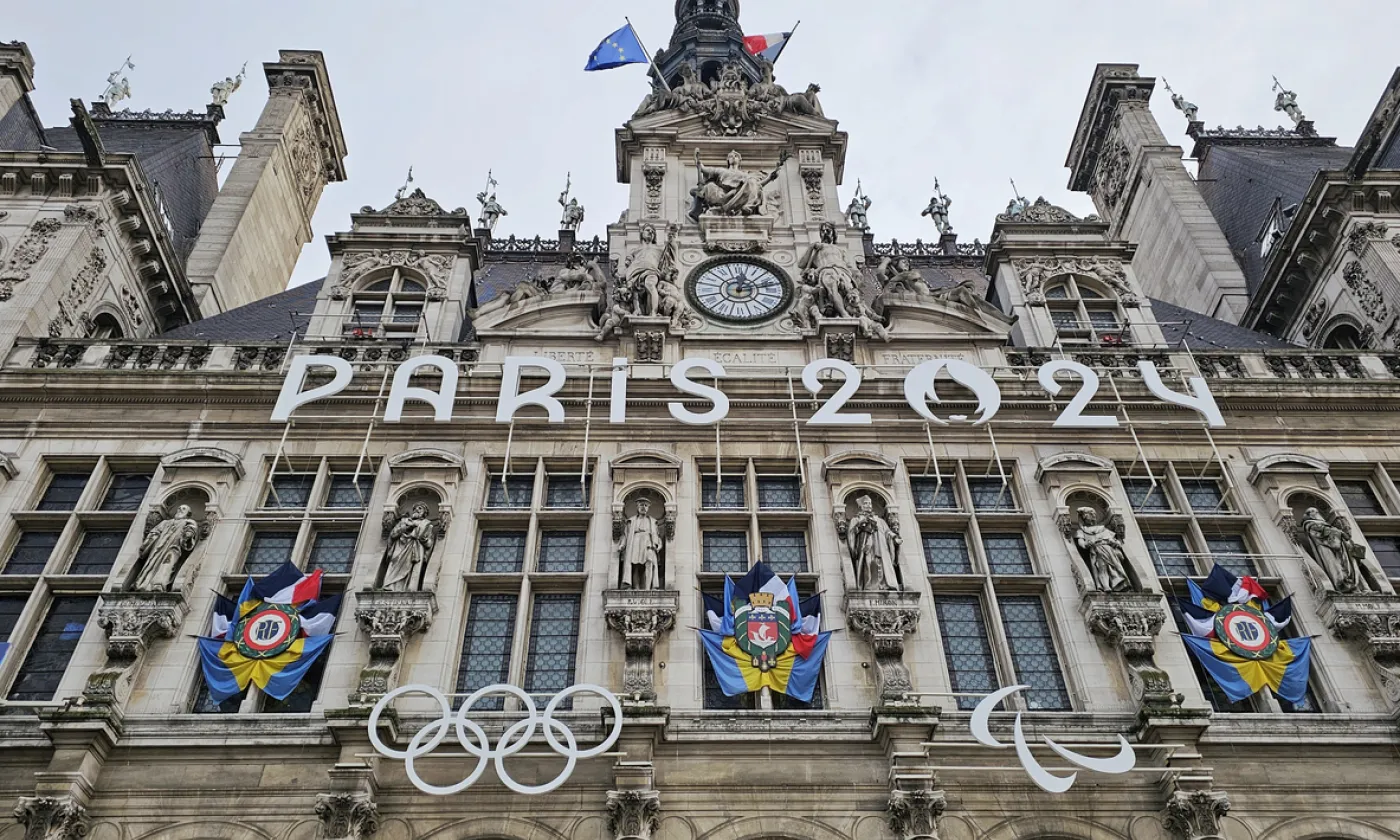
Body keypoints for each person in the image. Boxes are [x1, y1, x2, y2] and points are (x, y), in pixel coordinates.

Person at [1298, 507, 1371, 593]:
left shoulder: (1324, 524)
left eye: (1316, 511)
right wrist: (1339, 532)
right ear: (1308, 515)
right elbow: (1321, 534)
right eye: (1312, 512)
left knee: (1349, 566)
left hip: (1340, 547)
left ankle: (1356, 587)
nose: (1316, 513)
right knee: (1336, 567)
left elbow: (1330, 531)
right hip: (1326, 548)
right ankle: (1343, 586)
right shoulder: (1310, 525)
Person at [132, 505, 200, 591]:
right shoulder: (165, 522)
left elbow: (191, 531)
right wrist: (150, 539)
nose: (180, 510)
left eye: (183, 509)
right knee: (151, 564)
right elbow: (155, 531)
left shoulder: (188, 522)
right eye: (179, 508)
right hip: (158, 547)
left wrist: (188, 535)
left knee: (167, 565)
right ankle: (142, 584)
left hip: (174, 548)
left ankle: (159, 585)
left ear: (188, 513)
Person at [846, 495, 902, 591]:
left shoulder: (880, 520)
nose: (868, 505)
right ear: (861, 506)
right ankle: (869, 587)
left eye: (870, 503)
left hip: (880, 547)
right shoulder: (856, 519)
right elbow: (851, 534)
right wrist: (860, 525)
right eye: (866, 503)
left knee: (881, 564)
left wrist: (894, 537)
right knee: (869, 564)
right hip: (866, 547)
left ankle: (883, 586)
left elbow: (887, 532)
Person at [1072, 507, 1133, 592]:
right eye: (1087, 515)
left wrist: (1114, 542)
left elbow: (1117, 542)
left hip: (1109, 550)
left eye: (1092, 515)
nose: (1091, 517)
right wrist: (1086, 544)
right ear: (1084, 518)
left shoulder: (1103, 529)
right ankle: (1105, 586)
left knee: (1115, 567)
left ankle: (1120, 584)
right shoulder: (1081, 531)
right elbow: (1081, 543)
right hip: (1096, 550)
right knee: (1101, 567)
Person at [380, 503, 438, 591]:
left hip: (416, 548)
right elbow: (393, 534)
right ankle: (390, 586)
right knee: (395, 564)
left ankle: (408, 588)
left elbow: (429, 544)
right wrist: (407, 528)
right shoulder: (404, 521)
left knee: (412, 569)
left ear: (424, 513)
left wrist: (424, 539)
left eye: (420, 508)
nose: (417, 510)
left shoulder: (426, 524)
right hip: (400, 546)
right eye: (415, 508)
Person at [620, 498, 663, 590]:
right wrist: (622, 545)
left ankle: (648, 588)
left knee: (650, 562)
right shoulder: (631, 521)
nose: (643, 507)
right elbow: (625, 535)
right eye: (641, 505)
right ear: (637, 507)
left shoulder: (652, 521)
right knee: (635, 565)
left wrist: (659, 544)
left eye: (646, 505)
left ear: (648, 508)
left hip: (648, 543)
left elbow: (657, 535)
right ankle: (636, 587)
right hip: (634, 542)